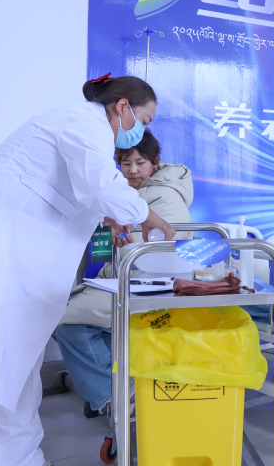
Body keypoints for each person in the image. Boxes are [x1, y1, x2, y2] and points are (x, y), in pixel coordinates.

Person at [0, 75, 176, 466]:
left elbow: (74, 188)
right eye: (143, 121)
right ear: (123, 107)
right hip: (12, 248)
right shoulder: (89, 125)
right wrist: (146, 215)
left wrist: (109, 214)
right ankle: (19, 458)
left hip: (1, 241)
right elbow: (98, 185)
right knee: (16, 357)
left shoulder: (74, 120)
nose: (140, 132)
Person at [52, 130, 193, 418]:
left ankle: (114, 397)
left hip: (149, 286)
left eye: (140, 163)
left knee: (66, 321)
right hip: (123, 282)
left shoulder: (165, 195)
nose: (132, 170)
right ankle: (119, 383)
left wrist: (119, 244)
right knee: (55, 312)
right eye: (126, 163)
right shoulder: (126, 193)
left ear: (155, 162)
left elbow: (147, 255)